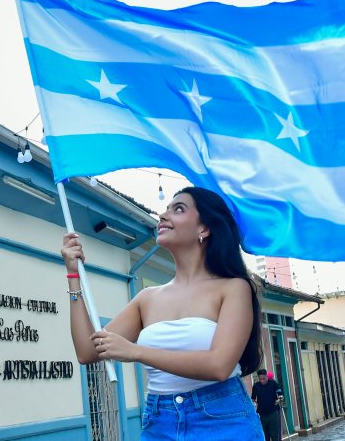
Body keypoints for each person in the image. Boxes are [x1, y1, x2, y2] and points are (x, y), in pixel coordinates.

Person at [62, 187, 264, 439]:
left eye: (178, 209)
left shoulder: (233, 288)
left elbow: (219, 366)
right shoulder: (147, 298)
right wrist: (73, 275)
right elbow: (87, 351)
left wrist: (135, 351)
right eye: (166, 208)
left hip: (222, 419)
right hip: (160, 421)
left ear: (204, 228)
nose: (162, 215)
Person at [250, 370, 283, 441]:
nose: (262, 381)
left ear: (267, 377)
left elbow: (280, 394)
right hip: (261, 415)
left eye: (263, 378)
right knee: (264, 436)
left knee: (274, 435)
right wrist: (255, 403)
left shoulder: (273, 383)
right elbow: (252, 398)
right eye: (260, 379)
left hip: (273, 413)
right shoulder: (256, 386)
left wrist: (279, 399)